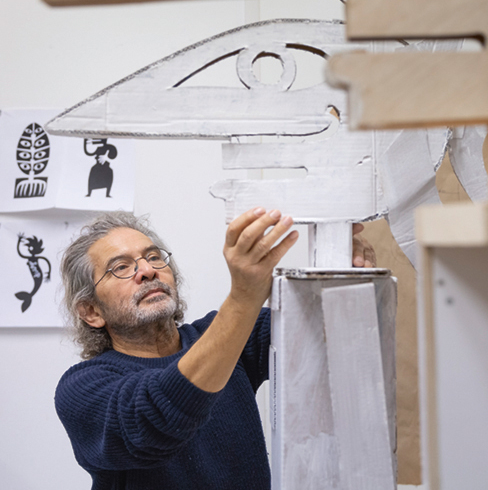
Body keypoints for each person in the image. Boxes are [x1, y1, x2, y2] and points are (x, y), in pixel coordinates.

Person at [54, 208, 375, 490]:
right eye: (121, 268)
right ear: (91, 312)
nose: (148, 271)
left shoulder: (224, 335)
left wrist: (347, 275)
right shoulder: (83, 388)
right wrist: (244, 297)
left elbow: (323, 328)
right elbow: (154, 419)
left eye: (153, 257)